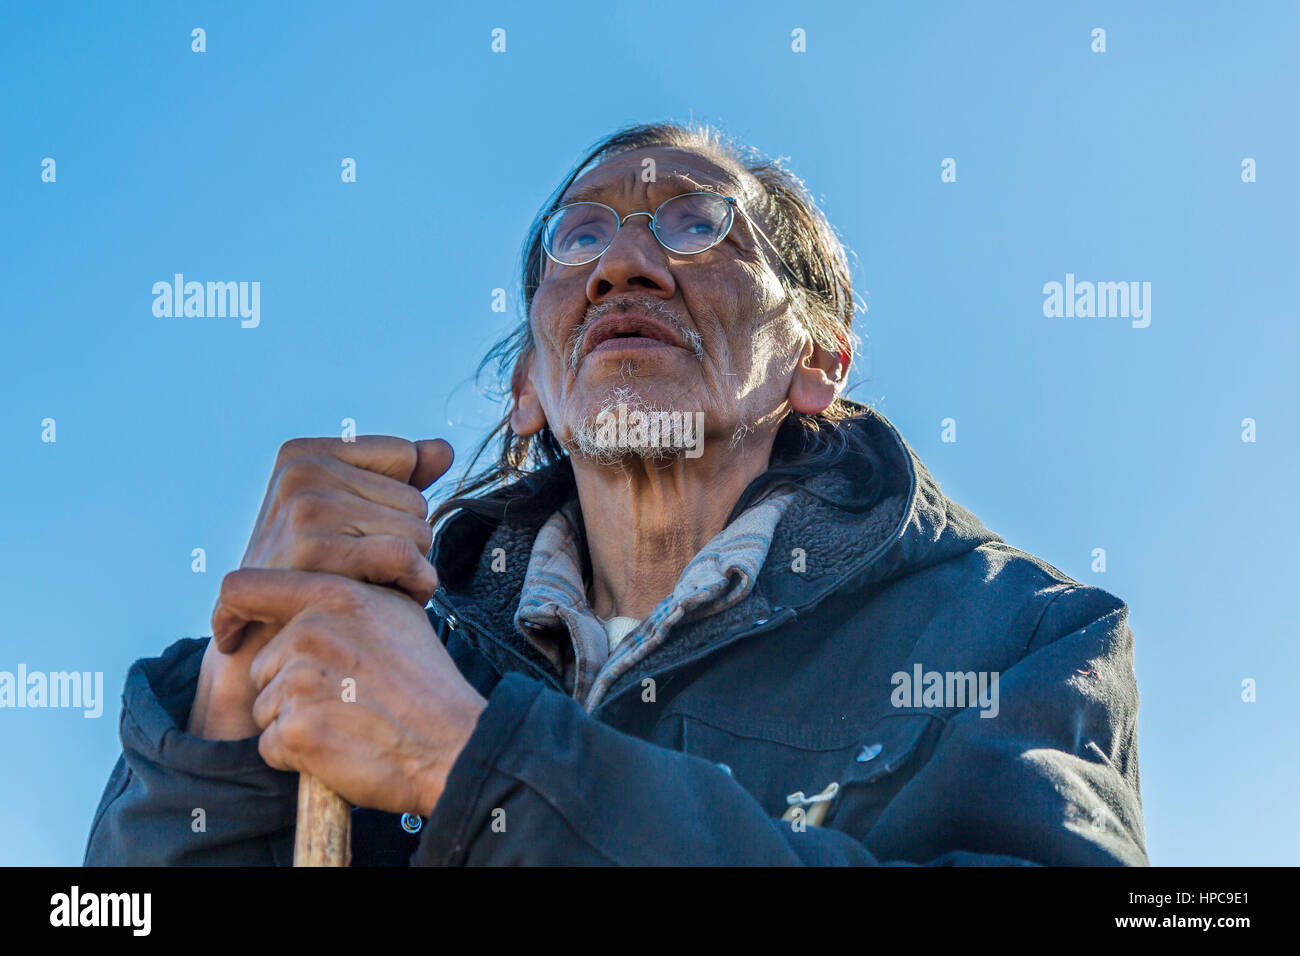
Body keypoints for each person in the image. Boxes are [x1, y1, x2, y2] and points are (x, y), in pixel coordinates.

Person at [84, 122, 1147, 866]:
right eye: (579, 236)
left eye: (697, 223)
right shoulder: (397, 644)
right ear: (529, 387)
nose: (621, 263)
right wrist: (224, 715)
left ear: (815, 362)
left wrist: (475, 761)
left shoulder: (1018, 632)